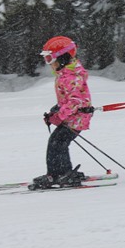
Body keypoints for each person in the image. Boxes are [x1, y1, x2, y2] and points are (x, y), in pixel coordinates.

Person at [33, 36, 93, 188]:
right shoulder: (65, 75)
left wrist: (59, 116)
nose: (49, 63)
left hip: (77, 118)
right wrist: (54, 112)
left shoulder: (71, 77)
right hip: (73, 117)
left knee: (57, 142)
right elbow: (65, 101)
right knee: (59, 143)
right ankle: (63, 172)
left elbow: (75, 101)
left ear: (62, 57)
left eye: (49, 59)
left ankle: (58, 174)